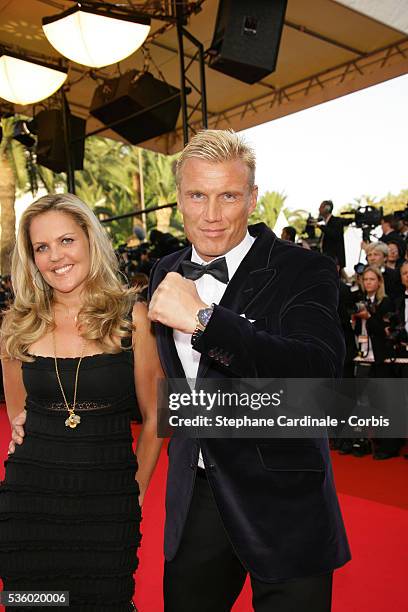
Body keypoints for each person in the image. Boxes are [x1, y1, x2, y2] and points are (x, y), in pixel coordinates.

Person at [147, 130, 351, 612]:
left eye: (229, 196)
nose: (212, 215)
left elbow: (320, 376)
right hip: (196, 494)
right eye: (197, 195)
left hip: (284, 501)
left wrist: (205, 321)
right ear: (179, 198)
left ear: (252, 198)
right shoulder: (166, 271)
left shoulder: (305, 270)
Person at [1, 194, 163, 610]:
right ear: (32, 258)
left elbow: (156, 418)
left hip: (107, 502)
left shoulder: (132, 319)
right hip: (29, 505)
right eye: (42, 247)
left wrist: (137, 490)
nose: (56, 257)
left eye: (66, 240)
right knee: (33, 604)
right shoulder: (16, 326)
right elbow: (19, 414)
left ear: (90, 239)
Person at [316, 200, 351, 269]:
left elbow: (334, 234)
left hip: (334, 259)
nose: (319, 209)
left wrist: (321, 227)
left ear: (327, 208)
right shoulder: (326, 222)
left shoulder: (336, 221)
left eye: (321, 207)